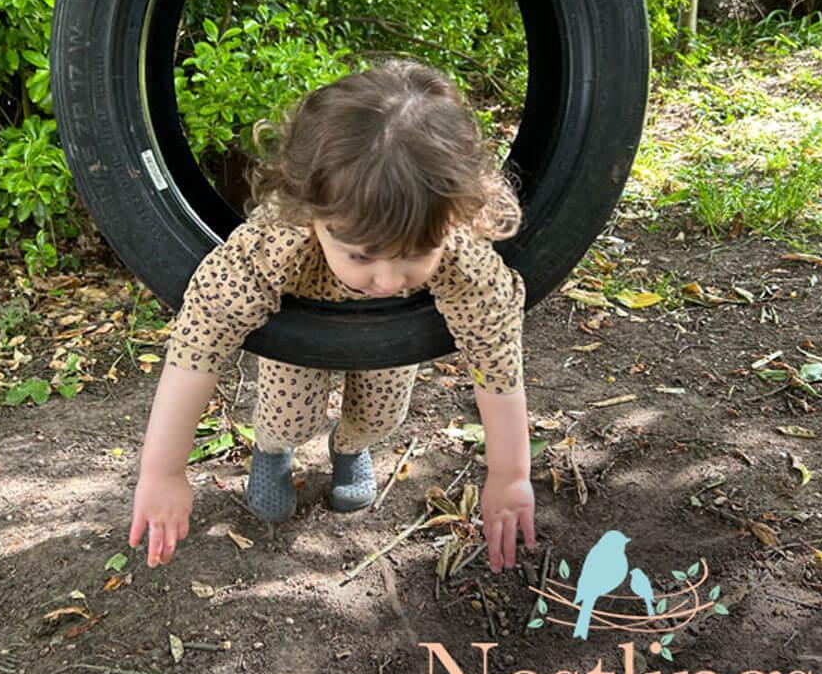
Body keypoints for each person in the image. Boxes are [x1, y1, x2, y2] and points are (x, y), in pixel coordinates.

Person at [128, 59, 535, 575]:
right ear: (311, 212)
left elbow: (496, 359)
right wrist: (163, 471)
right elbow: (199, 341)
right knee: (287, 414)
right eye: (362, 255)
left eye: (415, 253)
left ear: (452, 219)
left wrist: (509, 474)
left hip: (389, 336)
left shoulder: (458, 252)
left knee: (383, 412)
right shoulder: (278, 241)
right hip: (294, 329)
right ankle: (273, 453)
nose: (389, 279)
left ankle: (351, 448)